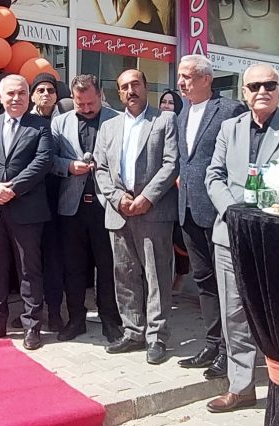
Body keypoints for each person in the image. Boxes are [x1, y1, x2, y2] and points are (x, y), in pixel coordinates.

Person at [203, 63, 279, 412]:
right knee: (234, 314)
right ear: (243, 92)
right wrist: (232, 211)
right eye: (254, 86)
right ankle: (241, 387)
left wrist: (262, 213)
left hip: (273, 238)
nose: (262, 91)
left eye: (269, 85)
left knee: (277, 314)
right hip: (230, 235)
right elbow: (214, 175)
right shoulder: (229, 128)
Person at [94, 69, 178, 365]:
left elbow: (171, 163)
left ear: (145, 87)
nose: (131, 90)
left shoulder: (165, 120)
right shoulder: (109, 126)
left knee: (157, 276)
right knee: (125, 274)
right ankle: (133, 331)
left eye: (135, 84)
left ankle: (157, 336)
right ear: (118, 93)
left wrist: (147, 197)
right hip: (119, 211)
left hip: (153, 210)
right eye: (124, 87)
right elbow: (100, 168)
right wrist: (117, 198)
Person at [173, 54, 247, 379]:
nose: (181, 82)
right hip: (188, 208)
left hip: (218, 211)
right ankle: (212, 343)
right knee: (203, 280)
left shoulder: (230, 110)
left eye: (187, 76)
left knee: (227, 284)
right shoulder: (182, 112)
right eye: (180, 76)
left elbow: (240, 158)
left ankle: (232, 352)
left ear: (206, 79)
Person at [0, 74, 54, 350]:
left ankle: (32, 325)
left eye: (21, 93)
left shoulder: (40, 126)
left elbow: (43, 161)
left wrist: (13, 188)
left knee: (29, 270)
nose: (16, 98)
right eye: (11, 93)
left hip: (26, 208)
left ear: (28, 96)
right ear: (0, 97)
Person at [51, 74, 123, 343]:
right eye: (80, 103)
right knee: (73, 266)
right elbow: (49, 159)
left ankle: (110, 319)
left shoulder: (118, 120)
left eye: (91, 103)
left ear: (100, 95)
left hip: (107, 205)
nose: (86, 108)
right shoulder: (60, 122)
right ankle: (76, 319)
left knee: (108, 265)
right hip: (72, 206)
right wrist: (68, 167)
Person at [27, 72, 66, 332]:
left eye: (50, 90)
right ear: (32, 95)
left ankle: (54, 312)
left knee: (54, 258)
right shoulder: (25, 121)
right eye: (40, 90)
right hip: (29, 197)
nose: (45, 95)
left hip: (57, 198)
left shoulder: (65, 121)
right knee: (30, 259)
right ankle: (32, 311)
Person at [159, 88, 190, 293]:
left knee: (179, 237)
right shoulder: (153, 124)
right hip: (157, 188)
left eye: (171, 103)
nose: (167, 106)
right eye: (164, 102)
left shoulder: (183, 127)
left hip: (177, 187)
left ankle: (180, 275)